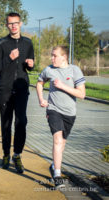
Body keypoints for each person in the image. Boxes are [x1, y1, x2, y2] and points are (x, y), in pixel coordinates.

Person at [0, 12, 34, 173]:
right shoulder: (1, 43)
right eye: (10, 23)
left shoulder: (28, 43)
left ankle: (17, 154)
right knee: (6, 124)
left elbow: (30, 64)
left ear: (21, 23)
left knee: (21, 122)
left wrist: (31, 65)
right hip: (5, 89)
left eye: (16, 23)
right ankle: (6, 154)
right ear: (6, 25)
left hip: (22, 89)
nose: (14, 26)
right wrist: (9, 58)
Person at [36, 45, 86, 189]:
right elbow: (39, 83)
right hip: (53, 110)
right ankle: (57, 175)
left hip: (70, 113)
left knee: (62, 144)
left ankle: (53, 166)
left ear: (64, 57)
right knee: (57, 141)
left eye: (54, 55)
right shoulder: (49, 70)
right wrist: (41, 99)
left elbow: (82, 94)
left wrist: (63, 86)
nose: (51, 58)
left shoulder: (74, 70)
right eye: (51, 55)